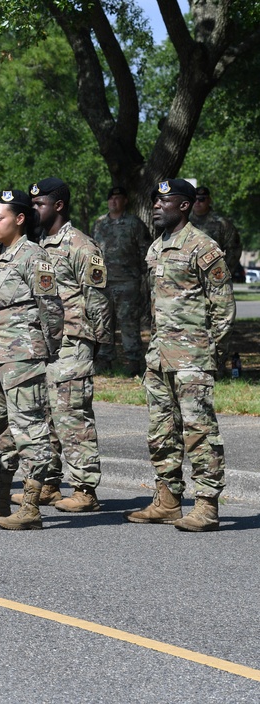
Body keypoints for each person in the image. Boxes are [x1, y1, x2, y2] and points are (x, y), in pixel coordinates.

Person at [126, 178, 235, 532]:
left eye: (164, 200)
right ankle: (168, 499)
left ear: (184, 205)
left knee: (199, 432)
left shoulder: (203, 247)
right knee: (162, 431)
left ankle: (206, 505)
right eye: (155, 199)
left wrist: (204, 352)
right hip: (159, 357)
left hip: (191, 360)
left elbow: (224, 308)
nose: (157, 205)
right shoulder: (157, 247)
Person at [0, 189, 63, 531]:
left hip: (21, 357)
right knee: (1, 430)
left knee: (29, 428)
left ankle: (31, 505)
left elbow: (51, 309)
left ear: (19, 219)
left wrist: (45, 349)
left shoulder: (33, 257)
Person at [28, 177, 111, 512]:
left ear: (58, 206)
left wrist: (97, 342)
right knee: (45, 414)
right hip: (47, 343)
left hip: (74, 340)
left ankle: (85, 489)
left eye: (39, 204)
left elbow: (98, 299)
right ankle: (49, 483)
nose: (33, 210)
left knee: (71, 414)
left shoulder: (81, 246)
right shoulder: (40, 245)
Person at [91, 186, 151, 376]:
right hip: (103, 283)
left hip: (128, 282)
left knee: (129, 324)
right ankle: (104, 359)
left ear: (125, 201)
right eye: (111, 198)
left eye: (118, 198)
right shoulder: (99, 223)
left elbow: (145, 251)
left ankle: (133, 362)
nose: (114, 202)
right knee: (103, 323)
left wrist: (142, 278)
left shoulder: (134, 223)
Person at [190, 185, 241, 374]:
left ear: (209, 200)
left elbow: (234, 248)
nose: (198, 202)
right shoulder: (185, 223)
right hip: (191, 284)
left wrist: (222, 273)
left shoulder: (220, 223)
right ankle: (196, 365)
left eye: (202, 199)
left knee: (219, 323)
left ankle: (218, 365)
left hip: (215, 283)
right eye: (195, 199)